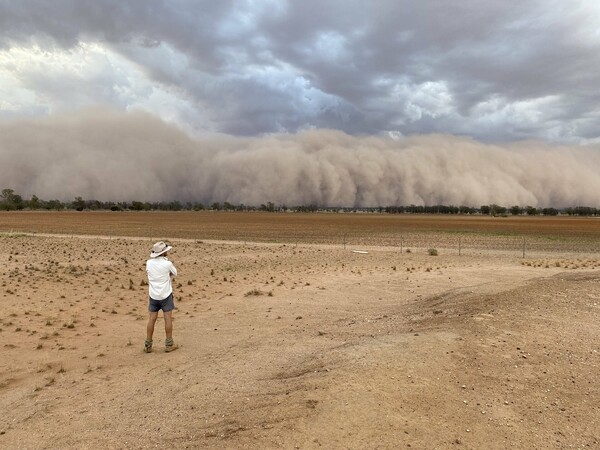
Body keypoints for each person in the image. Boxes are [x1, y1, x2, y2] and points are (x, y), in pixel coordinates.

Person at [144, 241, 178, 353]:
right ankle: (169, 344)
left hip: (153, 295)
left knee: (152, 319)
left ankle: (148, 345)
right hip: (165, 294)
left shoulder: (149, 263)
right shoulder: (167, 263)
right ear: (163, 253)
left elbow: (149, 273)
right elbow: (175, 273)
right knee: (167, 318)